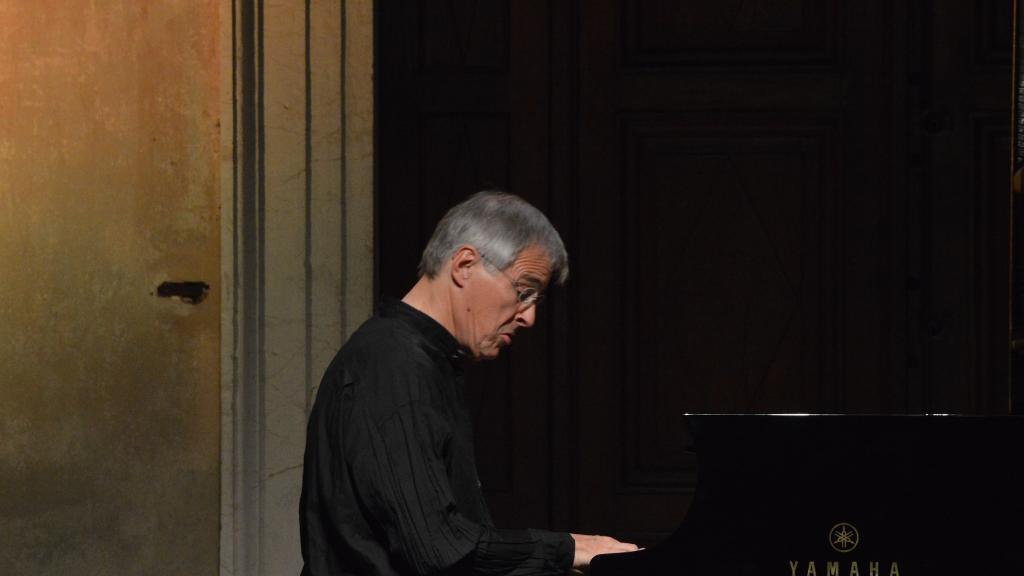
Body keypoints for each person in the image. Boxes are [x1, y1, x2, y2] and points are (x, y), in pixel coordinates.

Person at [299, 191, 637, 575]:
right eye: (524, 291)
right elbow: (438, 549)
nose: (529, 318)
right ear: (464, 264)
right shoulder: (393, 365)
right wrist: (568, 548)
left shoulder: (419, 360)